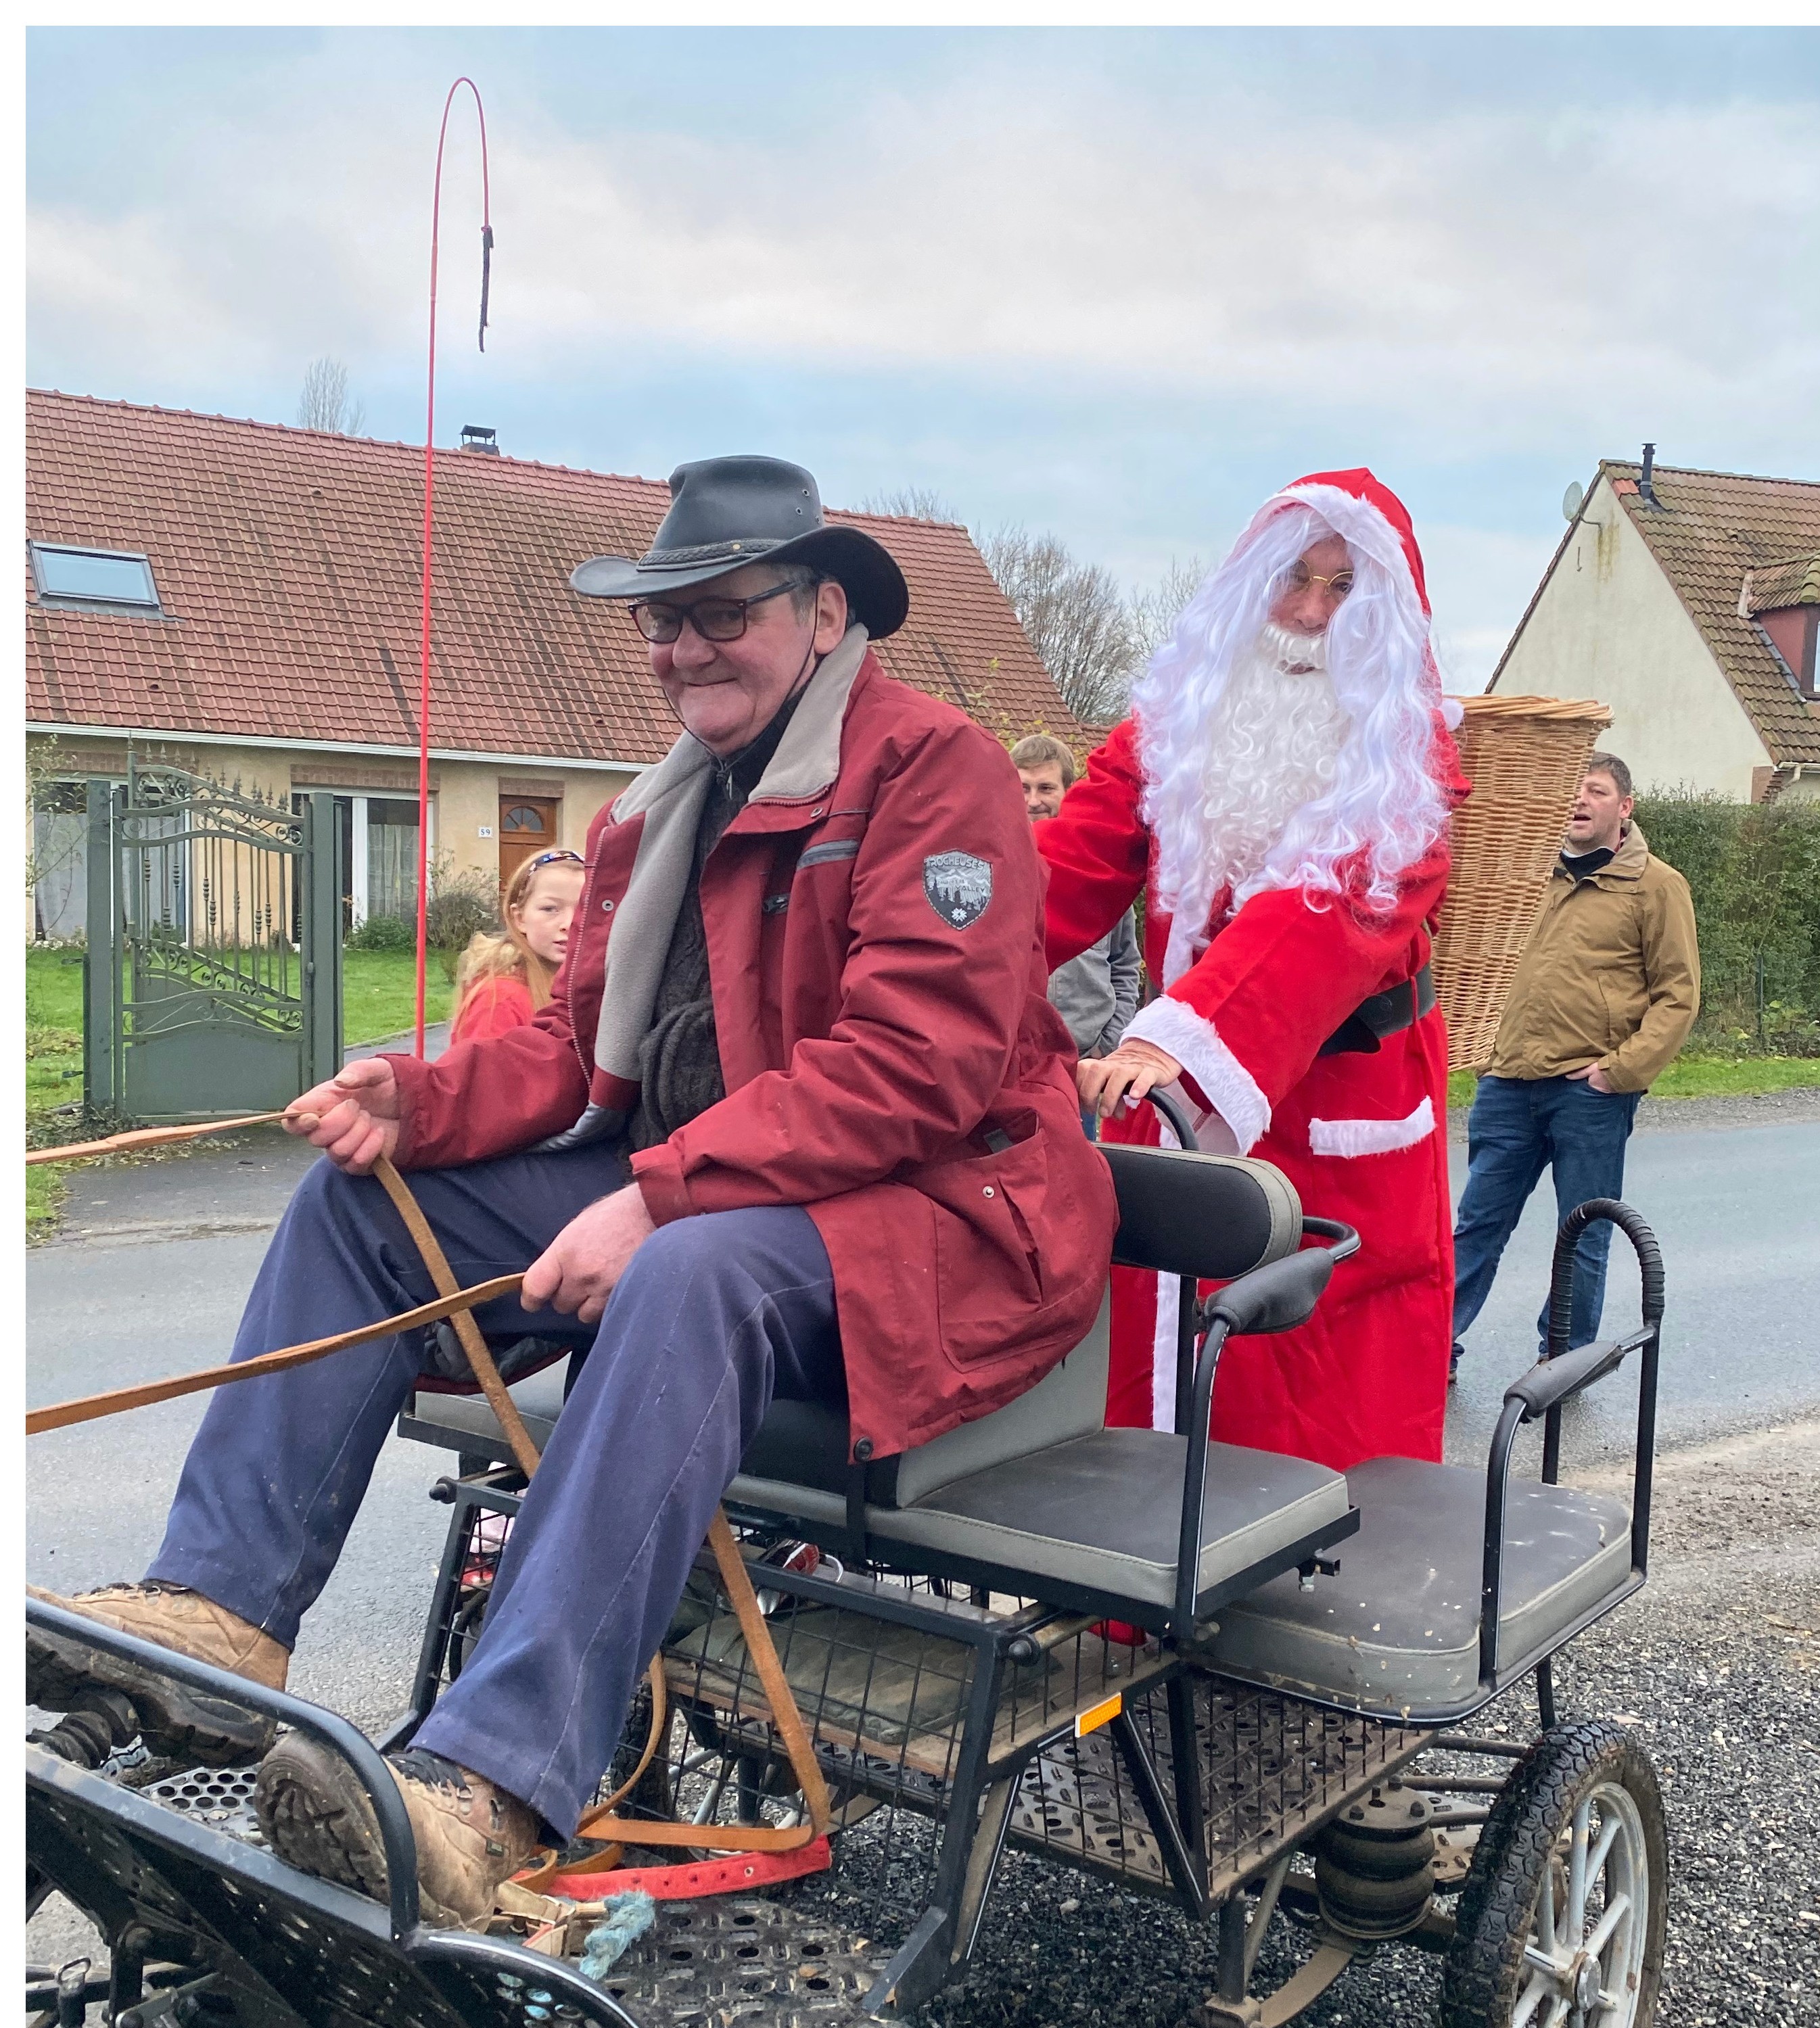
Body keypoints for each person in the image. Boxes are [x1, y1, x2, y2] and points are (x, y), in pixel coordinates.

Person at [28, 454, 1115, 1929]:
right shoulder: (652, 812)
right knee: (364, 1207)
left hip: (941, 1220)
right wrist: (411, 1099)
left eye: (717, 614)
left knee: (686, 1271)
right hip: (730, 1188)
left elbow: (912, 1073)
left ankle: (489, 1786)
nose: (679, 651)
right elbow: (564, 1053)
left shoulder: (934, 769)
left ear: (823, 611)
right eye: (661, 623)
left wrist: (659, 1198)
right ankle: (225, 1618)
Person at [1035, 469, 1466, 1474]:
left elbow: (1327, 911)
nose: (1312, 613)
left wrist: (1172, 1038)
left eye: (1343, 589)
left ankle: (1309, 1611)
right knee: (1167, 1344)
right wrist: (934, 954)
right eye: (1296, 581)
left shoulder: (1407, 762)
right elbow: (1068, 862)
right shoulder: (1178, 721)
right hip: (1179, 1090)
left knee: (1318, 1384)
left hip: (1341, 1109)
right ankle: (1145, 1601)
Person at [1449, 753, 1698, 1373]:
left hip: (1588, 1091)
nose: (1579, 800)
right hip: (1508, 1082)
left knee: (1581, 1232)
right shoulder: (1532, 879)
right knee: (1476, 1224)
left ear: (1625, 808)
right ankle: (1433, 1347)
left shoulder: (1657, 886)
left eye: (1597, 790)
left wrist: (1620, 1073)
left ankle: (1564, 1359)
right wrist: (1487, 1053)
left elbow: (1678, 995)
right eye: (1572, 790)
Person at [1009, 734, 1142, 1060]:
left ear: (1069, 791)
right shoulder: (996, 870)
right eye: (1023, 788)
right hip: (1013, 1062)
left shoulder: (1099, 875)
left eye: (1046, 788)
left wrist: (1107, 1045)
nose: (1032, 800)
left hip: (1084, 1061)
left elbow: (1124, 965)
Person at [448, 848, 587, 1045]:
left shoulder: (597, 986)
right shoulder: (499, 999)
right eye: (550, 909)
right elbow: (485, 1072)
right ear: (520, 918)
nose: (569, 923)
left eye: (584, 909)